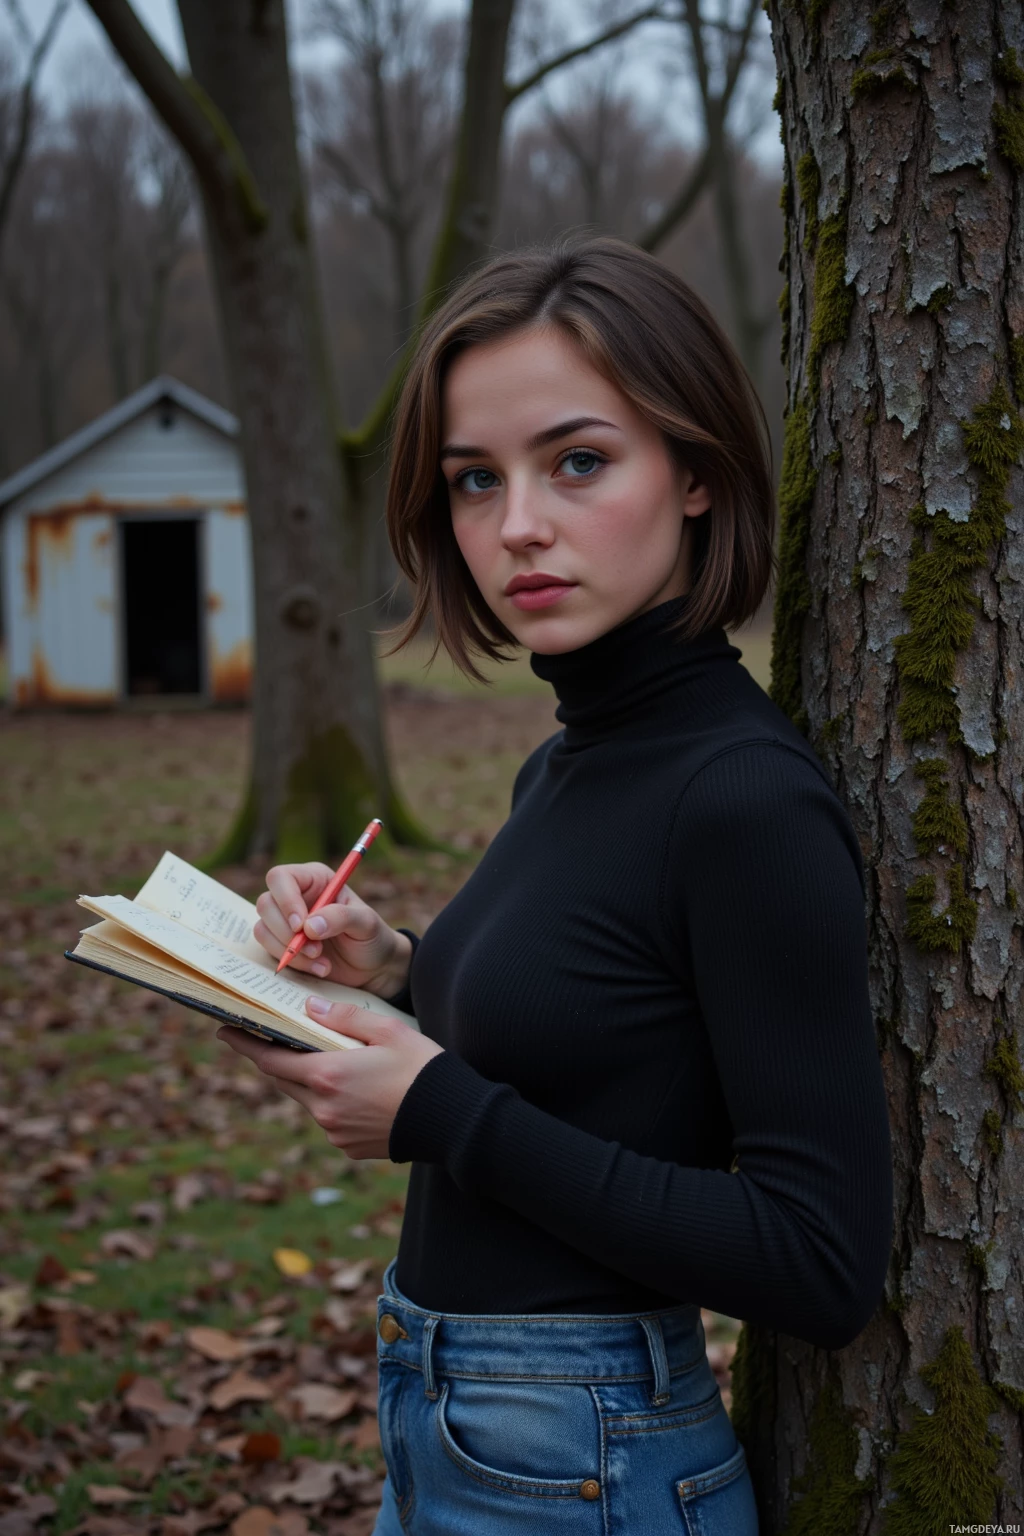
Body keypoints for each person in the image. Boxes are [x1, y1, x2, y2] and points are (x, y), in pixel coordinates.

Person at [217, 236, 893, 1534]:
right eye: (475, 480)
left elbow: (817, 1263)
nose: (516, 523)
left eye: (578, 461)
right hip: (457, 1413)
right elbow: (620, 1030)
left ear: (695, 475)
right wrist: (397, 966)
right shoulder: (573, 761)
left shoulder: (740, 796)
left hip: (585, 1455)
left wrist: (437, 1110)